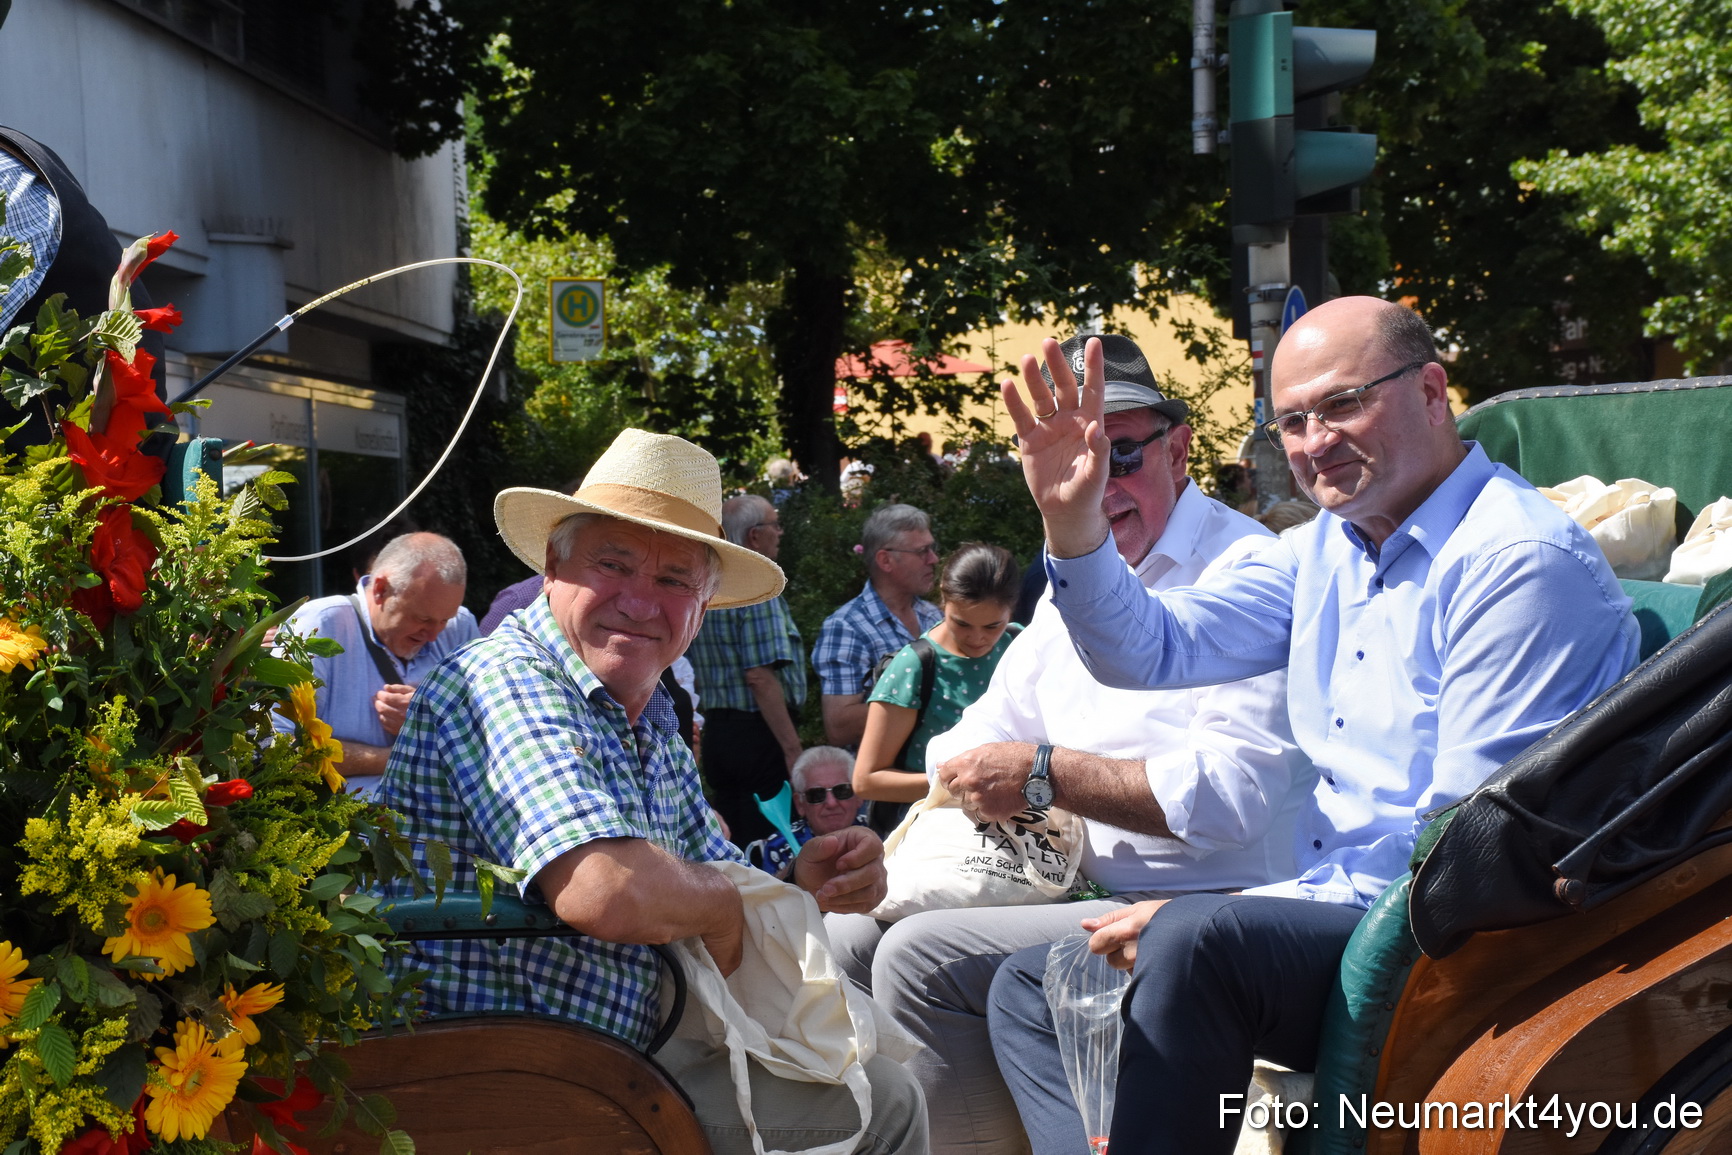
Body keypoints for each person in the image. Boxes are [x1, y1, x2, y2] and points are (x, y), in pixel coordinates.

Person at [988, 299, 1640, 1155]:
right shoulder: (1327, 545)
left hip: (1458, 944)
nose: (1313, 440)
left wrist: (1239, 910)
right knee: (1033, 984)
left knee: (1191, 939)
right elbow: (1151, 648)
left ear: (1433, 390)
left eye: (1342, 404)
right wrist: (1070, 523)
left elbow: (1462, 858)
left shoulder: (1514, 562)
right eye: (1291, 419)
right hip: (1352, 907)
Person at [377, 428, 925, 1155]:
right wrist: (725, 905)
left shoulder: (650, 707)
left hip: (617, 1053)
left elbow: (701, 867)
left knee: (881, 1085)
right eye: (613, 564)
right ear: (552, 567)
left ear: (703, 605)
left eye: (674, 580)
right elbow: (606, 891)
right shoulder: (503, 677)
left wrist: (799, 877)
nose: (640, 601)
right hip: (504, 1070)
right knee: (879, 1108)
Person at [827, 334, 1301, 1155]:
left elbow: (1229, 802)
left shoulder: (1248, 570)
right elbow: (977, 735)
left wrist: (1044, 777)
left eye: (1119, 456)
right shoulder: (1070, 586)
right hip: (1076, 887)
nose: (1095, 485)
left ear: (1179, 449)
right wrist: (959, 782)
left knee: (920, 956)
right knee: (843, 932)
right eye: (1072, 460)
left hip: (1211, 904)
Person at [273, 532, 479, 798]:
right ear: (380, 590)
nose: (434, 635)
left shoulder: (460, 626)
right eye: (423, 619)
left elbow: (496, 732)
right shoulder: (318, 625)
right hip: (347, 832)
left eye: (444, 620)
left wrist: (432, 719)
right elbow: (277, 750)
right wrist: (399, 756)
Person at [852, 543, 1021, 820]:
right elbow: (866, 781)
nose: (978, 638)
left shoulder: (1018, 643)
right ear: (943, 597)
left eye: (993, 626)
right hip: (933, 831)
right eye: (962, 623)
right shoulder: (913, 666)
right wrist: (962, 783)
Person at [686, 494, 806, 845]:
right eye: (775, 524)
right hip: (758, 735)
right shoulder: (758, 588)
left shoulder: (708, 585)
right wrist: (791, 748)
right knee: (772, 839)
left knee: (732, 839)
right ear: (755, 536)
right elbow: (760, 677)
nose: (780, 533)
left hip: (719, 736)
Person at [812, 503, 944, 748]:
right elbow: (839, 727)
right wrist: (928, 701)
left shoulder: (932, 614)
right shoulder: (847, 627)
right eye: (922, 551)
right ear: (885, 560)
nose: (933, 559)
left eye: (932, 548)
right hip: (885, 779)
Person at [745, 746, 871, 878]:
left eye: (842, 790)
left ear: (858, 797)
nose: (831, 803)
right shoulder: (780, 846)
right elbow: (774, 895)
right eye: (816, 794)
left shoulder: (878, 830)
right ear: (800, 804)